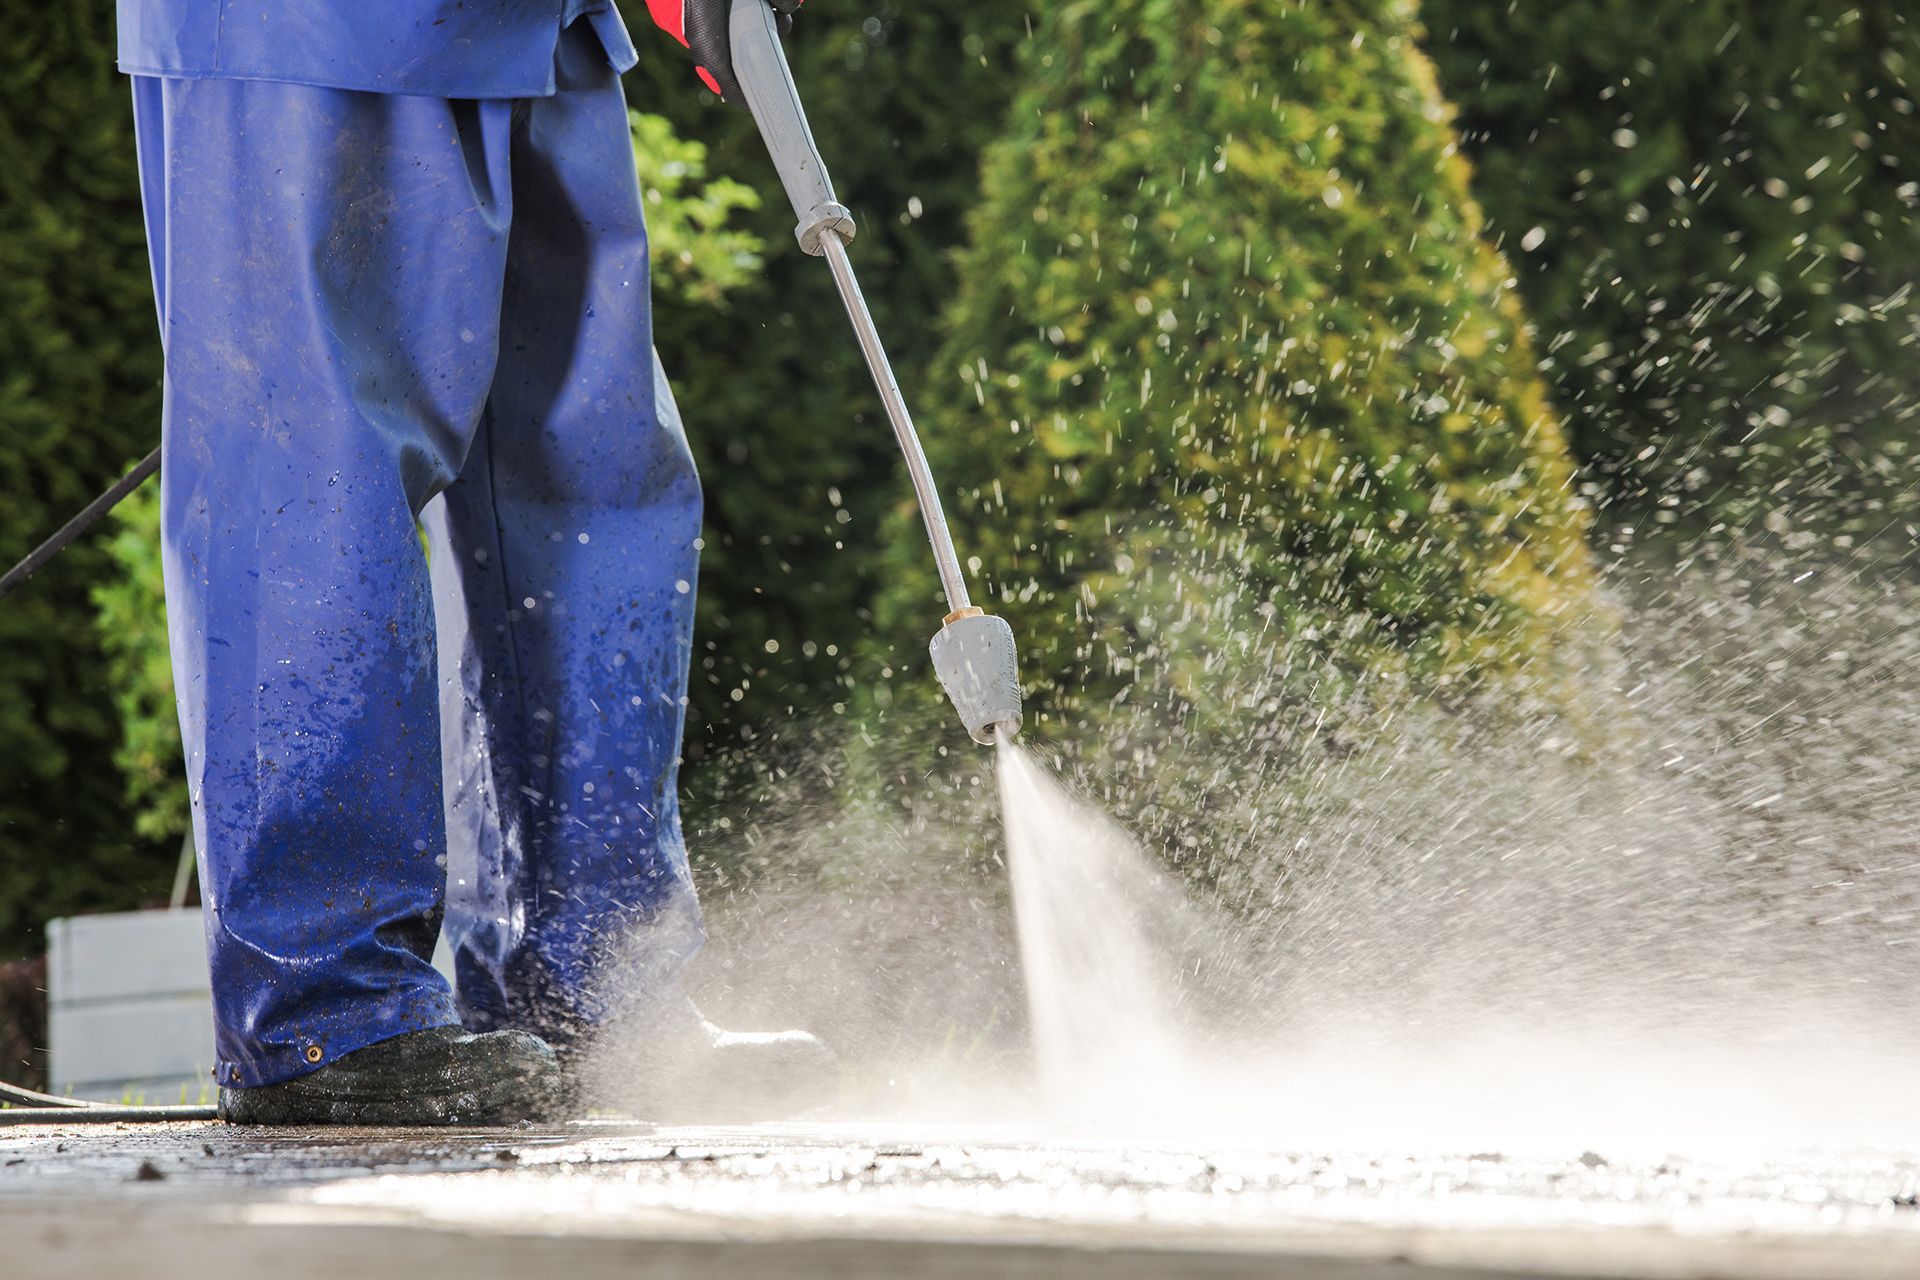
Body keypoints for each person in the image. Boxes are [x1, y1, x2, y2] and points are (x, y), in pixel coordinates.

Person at [118, 0, 830, 1124]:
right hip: (316, 28)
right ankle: (326, 1005)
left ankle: (596, 981)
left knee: (587, 467)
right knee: (319, 465)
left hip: (542, 25)